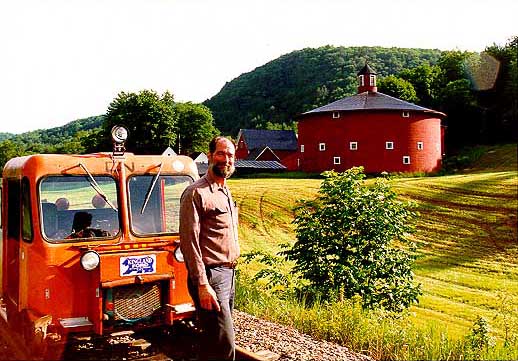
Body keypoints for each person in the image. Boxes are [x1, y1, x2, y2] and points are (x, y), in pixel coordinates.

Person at [179, 136, 240, 360]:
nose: (227, 159)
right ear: (211, 155)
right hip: (211, 275)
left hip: (229, 273)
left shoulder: (225, 191)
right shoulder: (196, 192)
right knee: (225, 344)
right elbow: (189, 242)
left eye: (231, 155)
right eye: (221, 154)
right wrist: (203, 284)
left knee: (212, 341)